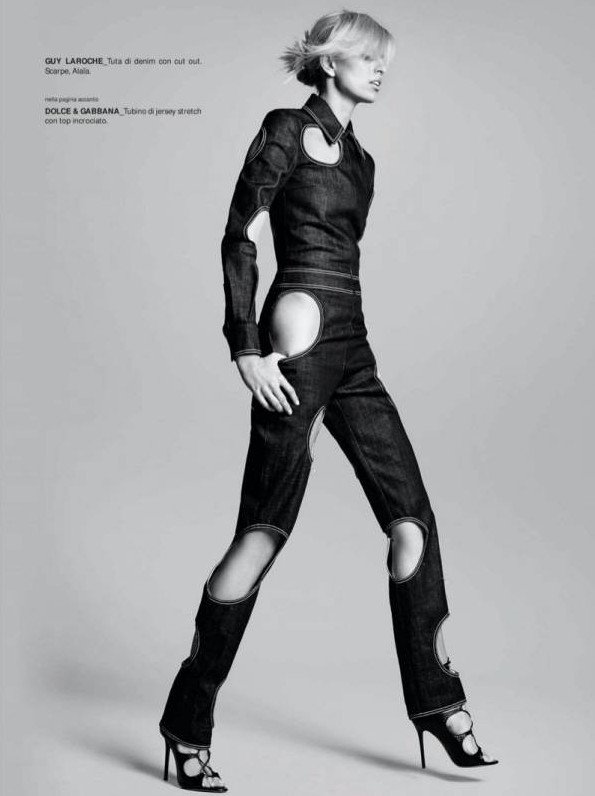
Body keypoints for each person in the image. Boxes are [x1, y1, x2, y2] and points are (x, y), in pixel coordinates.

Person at [159, 10, 499, 791]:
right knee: (262, 533)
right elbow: (241, 233)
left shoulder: (363, 162)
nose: (379, 71)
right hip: (297, 343)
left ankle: (436, 703)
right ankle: (186, 723)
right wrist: (245, 345)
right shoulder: (284, 129)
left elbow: (344, 257)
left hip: (353, 347)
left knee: (411, 522)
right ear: (328, 61)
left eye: (385, 63)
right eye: (367, 58)